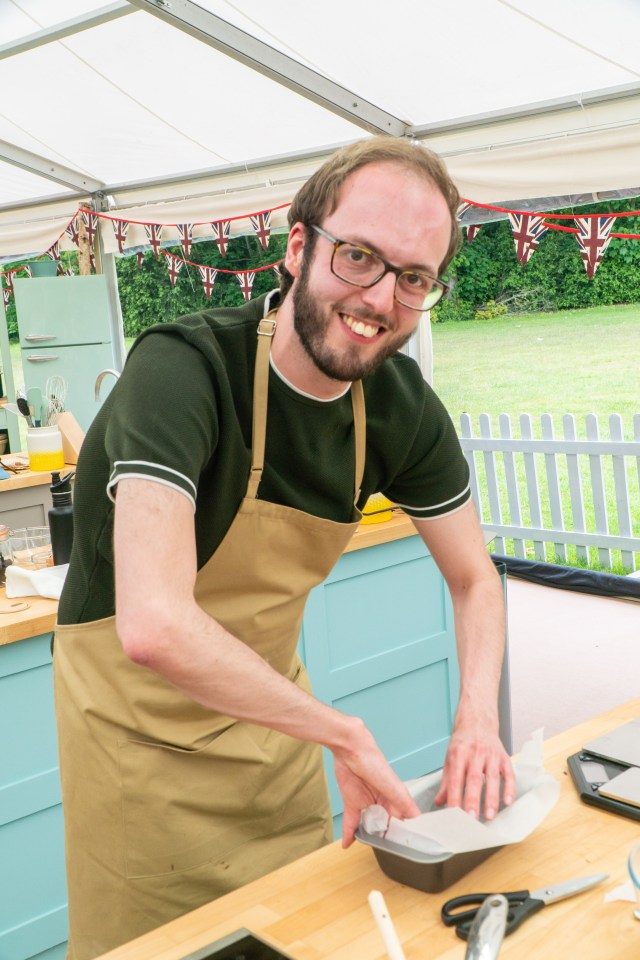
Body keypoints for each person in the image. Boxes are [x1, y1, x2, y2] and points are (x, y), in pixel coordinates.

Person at [53, 136, 515, 960]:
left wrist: (477, 717)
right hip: (137, 759)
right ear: (298, 247)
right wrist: (341, 733)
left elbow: (475, 579)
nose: (380, 298)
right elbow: (154, 625)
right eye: (360, 256)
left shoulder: (402, 409)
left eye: (414, 278)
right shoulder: (185, 370)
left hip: (278, 745)